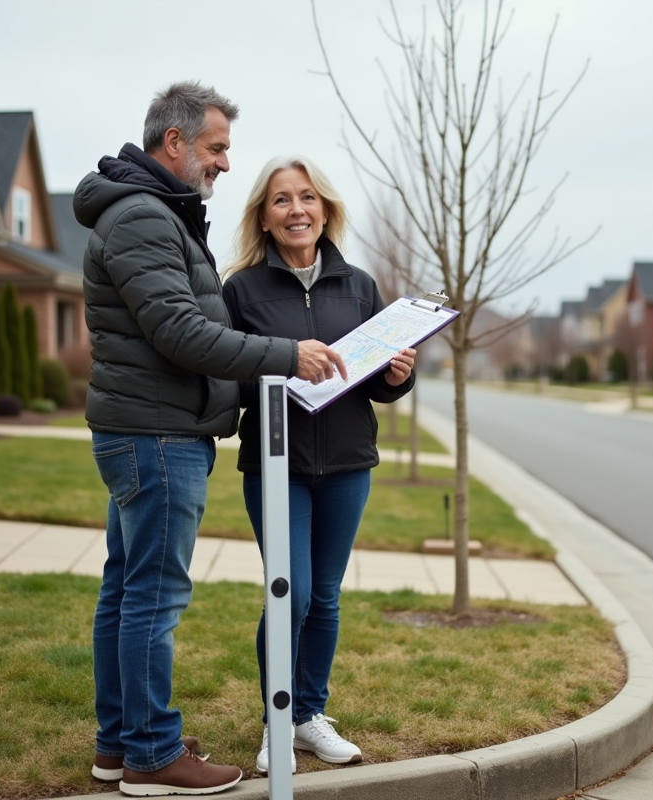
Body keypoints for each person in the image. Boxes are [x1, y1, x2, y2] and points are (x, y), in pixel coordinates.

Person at [73, 84, 347, 797]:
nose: (225, 163)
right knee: (153, 598)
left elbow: (178, 325)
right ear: (176, 143)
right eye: (217, 147)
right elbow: (179, 332)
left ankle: (120, 743)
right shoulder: (141, 218)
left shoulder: (152, 214)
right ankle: (153, 755)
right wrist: (289, 356)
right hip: (156, 435)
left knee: (126, 591)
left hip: (151, 430)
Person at [221, 156, 416, 775]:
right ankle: (276, 723)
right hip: (275, 463)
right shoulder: (241, 289)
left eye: (307, 198)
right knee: (290, 594)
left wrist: (396, 377)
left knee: (325, 596)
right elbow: (230, 375)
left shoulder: (358, 285)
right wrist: (282, 362)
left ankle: (309, 716)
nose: (296, 210)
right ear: (264, 217)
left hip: (348, 462)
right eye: (282, 200)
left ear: (326, 209)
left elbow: (374, 384)